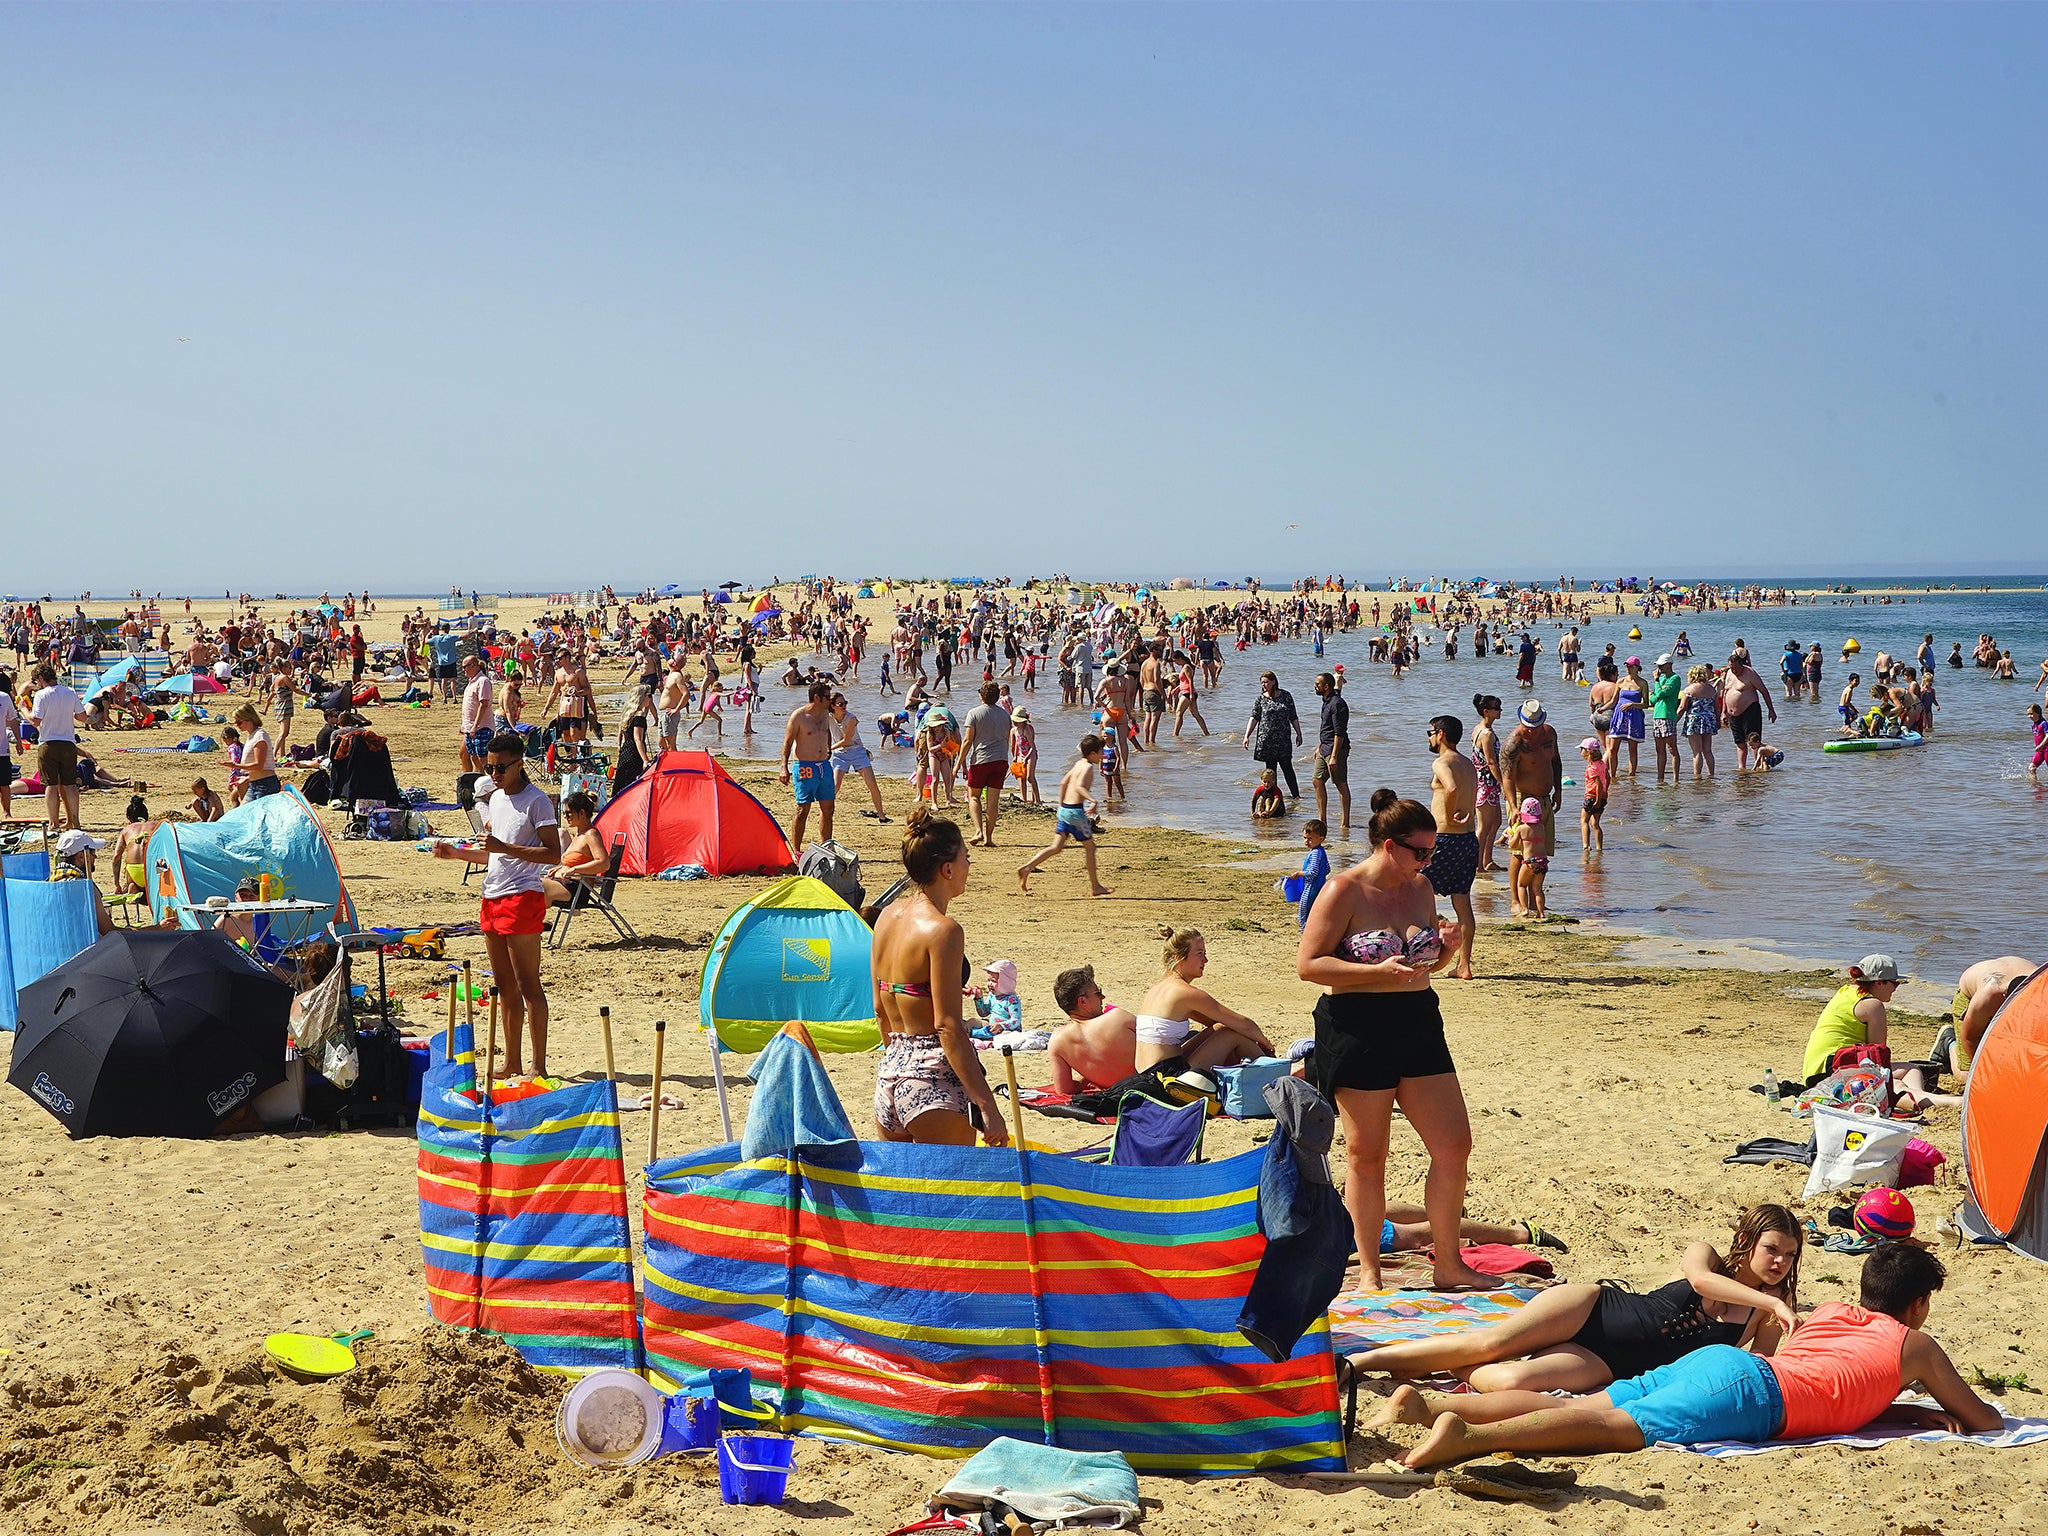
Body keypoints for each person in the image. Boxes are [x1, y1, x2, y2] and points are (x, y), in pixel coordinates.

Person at [1392, 1244, 2000, 1470]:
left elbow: (1837, 1382)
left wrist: (1901, 1413)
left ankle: (1435, 1402)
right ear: (1919, 1304)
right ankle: (1464, 1439)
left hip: (1734, 1369)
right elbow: (1984, 1421)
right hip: (1757, 1396)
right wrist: (1918, 1407)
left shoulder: (1833, 1310)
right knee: (1612, 1427)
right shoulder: (1913, 1344)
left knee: (1597, 1402)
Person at [1296, 788, 1493, 1291]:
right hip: (1356, 1025)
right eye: (1420, 851)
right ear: (1388, 845)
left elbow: (1425, 967)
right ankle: (1369, 1270)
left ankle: (1448, 1265)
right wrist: (1377, 969)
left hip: (1418, 1021)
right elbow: (1309, 965)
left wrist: (1446, 952)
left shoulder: (1421, 888)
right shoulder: (1344, 890)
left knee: (1454, 1145)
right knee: (1367, 1154)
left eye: (1432, 851)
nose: (1428, 860)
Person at [1355, 1204, 1801, 1395]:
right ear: (1745, 1240)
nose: (1780, 1261)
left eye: (1789, 1255)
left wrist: (1775, 1310)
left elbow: (1752, 1369)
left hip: (1614, 1364)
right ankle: (1360, 1365)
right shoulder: (1705, 1254)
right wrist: (1774, 1304)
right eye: (1772, 1249)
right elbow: (1702, 1282)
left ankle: (1442, 1366)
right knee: (1487, 1345)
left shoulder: (1763, 1314)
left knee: (1508, 1380)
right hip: (1594, 1308)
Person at [868, 809, 1008, 1146]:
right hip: (932, 1085)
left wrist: (901, 1066)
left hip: (890, 1077)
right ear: (947, 869)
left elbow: (879, 1010)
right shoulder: (943, 931)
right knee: (952, 1193)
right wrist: (986, 1104)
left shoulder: (887, 916)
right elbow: (947, 1025)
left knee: (901, 1193)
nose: (968, 866)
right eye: (966, 857)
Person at [432, 733, 560, 1076]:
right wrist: (457, 854)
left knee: (528, 984)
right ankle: (512, 1062)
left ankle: (539, 1066)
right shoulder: (497, 798)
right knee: (504, 986)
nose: (494, 774)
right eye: (489, 768)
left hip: (523, 896)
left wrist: (505, 847)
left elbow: (553, 854)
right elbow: (492, 853)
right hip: (492, 895)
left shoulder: (537, 801)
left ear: (520, 763)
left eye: (501, 767)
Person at [1131, 927, 1274, 1073]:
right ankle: (1274, 1075)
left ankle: (1264, 1072)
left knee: (1222, 1028)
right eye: (1200, 954)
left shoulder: (1158, 987)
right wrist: (1265, 1043)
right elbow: (1245, 1025)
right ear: (1178, 957)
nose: (1205, 960)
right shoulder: (1183, 992)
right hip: (1168, 1077)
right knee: (1232, 1034)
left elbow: (1216, 1023)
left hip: (1147, 1072)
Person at [1420, 714, 1480, 980]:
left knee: (1419, 893)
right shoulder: (1468, 763)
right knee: (1462, 902)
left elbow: (1452, 788)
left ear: (1440, 734)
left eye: (1430, 732)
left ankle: (1425, 958)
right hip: (1468, 840)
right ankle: (1464, 965)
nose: (1429, 738)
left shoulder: (1441, 762)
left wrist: (1449, 812)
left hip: (1445, 838)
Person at [1015, 734, 1113, 897]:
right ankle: (1095, 886)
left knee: (1056, 847)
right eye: (1101, 751)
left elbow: (1063, 783)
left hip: (1065, 810)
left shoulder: (1078, 763)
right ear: (1093, 753)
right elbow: (1080, 786)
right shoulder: (1088, 767)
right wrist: (1093, 801)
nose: (1103, 755)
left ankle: (1027, 868)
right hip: (1075, 813)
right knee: (1090, 847)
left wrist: (1061, 805)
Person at [1944, 954, 2040, 1076]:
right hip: (1968, 996)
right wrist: (1982, 1074)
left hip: (2007, 973)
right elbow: (1969, 1037)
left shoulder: (2041, 987)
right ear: (2005, 997)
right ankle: (1949, 1042)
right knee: (1967, 1075)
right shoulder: (1988, 997)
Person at [1048, 965, 1139, 1092]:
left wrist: (1090, 1077)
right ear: (1083, 1001)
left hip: (1117, 1097)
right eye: (1098, 993)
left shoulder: (1057, 1041)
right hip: (1153, 1089)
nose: (1103, 997)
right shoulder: (1117, 1018)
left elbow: (1064, 1090)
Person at [1498, 700, 1561, 869]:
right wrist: (1514, 807)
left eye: (1536, 725)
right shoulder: (1513, 744)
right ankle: (1516, 895)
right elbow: (1508, 778)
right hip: (1522, 799)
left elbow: (1556, 761)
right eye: (1528, 725)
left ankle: (1534, 892)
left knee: (1541, 853)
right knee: (1519, 854)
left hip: (1545, 798)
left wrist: (1559, 790)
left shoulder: (1549, 733)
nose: (1532, 729)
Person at [26, 663, 88, 832]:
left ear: (40, 678)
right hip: (68, 742)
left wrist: (24, 710)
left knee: (50, 785)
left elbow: (35, 721)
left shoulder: (41, 695)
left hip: (48, 742)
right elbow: (82, 717)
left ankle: (54, 823)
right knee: (70, 784)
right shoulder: (70, 692)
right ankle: (75, 821)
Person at [780, 680, 838, 851]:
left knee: (828, 809)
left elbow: (826, 733)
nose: (830, 701)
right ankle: (796, 851)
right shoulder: (799, 716)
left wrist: (828, 750)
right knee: (802, 809)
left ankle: (826, 847)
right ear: (816, 698)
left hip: (824, 765)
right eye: (827, 697)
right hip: (804, 766)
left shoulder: (825, 715)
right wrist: (784, 767)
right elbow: (787, 743)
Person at [958, 681, 1011, 848]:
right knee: (993, 800)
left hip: (981, 759)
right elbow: (1008, 738)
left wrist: (959, 763)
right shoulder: (1005, 715)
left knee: (974, 796)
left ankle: (978, 831)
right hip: (1001, 759)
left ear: (981, 695)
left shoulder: (974, 713)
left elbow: (967, 740)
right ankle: (989, 837)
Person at [1718, 651, 1785, 771]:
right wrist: (1724, 712)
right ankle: (1742, 768)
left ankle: (1758, 766)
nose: (1734, 670)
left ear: (1741, 665)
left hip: (1750, 710)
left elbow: (1764, 691)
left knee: (1753, 743)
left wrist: (1771, 710)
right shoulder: (1729, 673)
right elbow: (1726, 692)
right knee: (1739, 743)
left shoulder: (1750, 673)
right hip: (1733, 715)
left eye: (1736, 668)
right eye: (1731, 668)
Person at [540, 790, 608, 906]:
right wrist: (562, 867)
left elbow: (604, 863)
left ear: (581, 813)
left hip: (576, 889)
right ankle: (537, 923)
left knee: (533, 888)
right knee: (529, 886)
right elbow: (581, 859)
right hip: (566, 885)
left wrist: (574, 870)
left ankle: (536, 923)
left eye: (568, 813)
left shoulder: (591, 835)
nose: (565, 817)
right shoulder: (578, 835)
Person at [828, 692, 888, 821]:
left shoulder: (851, 718)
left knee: (872, 784)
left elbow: (846, 740)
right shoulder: (828, 717)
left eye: (845, 703)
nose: (844, 706)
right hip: (840, 754)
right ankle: (827, 815)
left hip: (857, 752)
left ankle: (882, 816)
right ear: (832, 706)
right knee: (835, 785)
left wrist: (827, 749)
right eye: (841, 704)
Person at [1244, 671, 1300, 801]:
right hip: (1266, 740)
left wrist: (1299, 733)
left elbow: (1293, 716)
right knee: (1271, 771)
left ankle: (1296, 796)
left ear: (1273, 681)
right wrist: (1247, 736)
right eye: (1262, 683)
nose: (1264, 685)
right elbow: (1254, 718)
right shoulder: (1260, 699)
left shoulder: (1286, 696)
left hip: (1283, 739)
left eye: (1266, 682)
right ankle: (1273, 797)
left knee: (1287, 768)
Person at [1311, 671, 1352, 833]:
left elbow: (1339, 732)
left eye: (1317, 684)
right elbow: (1327, 728)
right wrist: (1319, 746)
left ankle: (1345, 823)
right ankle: (1323, 820)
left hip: (1337, 750)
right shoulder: (1326, 701)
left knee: (1340, 784)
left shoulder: (1337, 704)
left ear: (1326, 686)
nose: (1315, 686)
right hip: (1325, 747)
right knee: (1317, 781)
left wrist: (1334, 756)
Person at [1470, 695, 1505, 872]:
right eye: (1497, 707)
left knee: (1496, 821)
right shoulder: (1486, 734)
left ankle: (1487, 859)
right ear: (1486, 711)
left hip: (1487, 782)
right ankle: (1477, 864)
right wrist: (1504, 783)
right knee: (1483, 827)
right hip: (1485, 782)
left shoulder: (1481, 729)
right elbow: (1491, 762)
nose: (1500, 710)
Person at [1507, 797, 1549, 918]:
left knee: (1521, 885)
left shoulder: (1521, 829)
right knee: (1538, 889)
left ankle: (1524, 909)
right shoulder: (1541, 827)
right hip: (1543, 862)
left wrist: (1510, 836)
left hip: (1529, 863)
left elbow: (1512, 845)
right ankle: (1540, 913)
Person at [232, 704, 282, 800]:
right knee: (245, 812)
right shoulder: (252, 736)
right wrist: (247, 778)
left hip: (265, 785)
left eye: (239, 722)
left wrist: (235, 765)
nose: (237, 725)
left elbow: (259, 765)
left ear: (248, 719)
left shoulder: (259, 736)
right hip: (254, 783)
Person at [1679, 664, 1720, 778]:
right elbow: (1717, 707)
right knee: (1708, 751)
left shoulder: (1689, 689)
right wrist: (1718, 721)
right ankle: (1711, 775)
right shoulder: (1712, 689)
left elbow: (1682, 708)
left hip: (1694, 720)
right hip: (1709, 720)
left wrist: (1674, 720)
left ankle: (1697, 776)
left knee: (1697, 752)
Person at [109, 796, 155, 895]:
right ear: (147, 815)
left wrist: (116, 884)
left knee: (132, 884)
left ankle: (132, 887)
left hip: (134, 871)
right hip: (150, 869)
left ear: (129, 818)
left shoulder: (126, 830)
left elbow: (116, 856)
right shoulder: (156, 825)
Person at [1647, 655, 1682, 783]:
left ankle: (1675, 778)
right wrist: (1658, 689)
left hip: (1668, 715)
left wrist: (1657, 683)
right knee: (1659, 749)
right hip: (1657, 715)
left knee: (1672, 748)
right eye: (1658, 665)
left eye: (1661, 665)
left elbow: (1662, 693)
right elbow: (1652, 699)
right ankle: (1660, 778)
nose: (1659, 668)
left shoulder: (1675, 678)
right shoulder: (1661, 679)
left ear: (1669, 664)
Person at [458, 653, 493, 774]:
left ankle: (490, 783)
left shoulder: (483, 681)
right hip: (470, 727)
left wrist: (475, 725)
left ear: (473, 665)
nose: (463, 670)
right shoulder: (471, 682)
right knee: (473, 757)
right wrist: (465, 726)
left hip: (481, 727)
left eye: (465, 667)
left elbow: (483, 704)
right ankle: (476, 782)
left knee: (483, 758)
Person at [1296, 818, 1330, 929]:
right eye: (1305, 838)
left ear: (1321, 839)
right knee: (1315, 912)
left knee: (1303, 913)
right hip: (1320, 886)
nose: (1306, 841)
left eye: (1310, 839)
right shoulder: (1321, 851)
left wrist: (1299, 874)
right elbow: (1327, 869)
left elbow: (1313, 872)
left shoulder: (1315, 853)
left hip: (1311, 888)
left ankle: (1305, 933)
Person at [1579, 737, 1608, 851]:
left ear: (1587, 751)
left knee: (1584, 821)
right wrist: (1604, 794)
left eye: (1581, 749)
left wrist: (1597, 799)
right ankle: (1599, 847)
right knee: (1595, 823)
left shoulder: (1592, 768)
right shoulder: (1602, 764)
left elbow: (1599, 784)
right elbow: (1608, 778)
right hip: (1602, 797)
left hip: (1592, 796)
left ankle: (1586, 845)